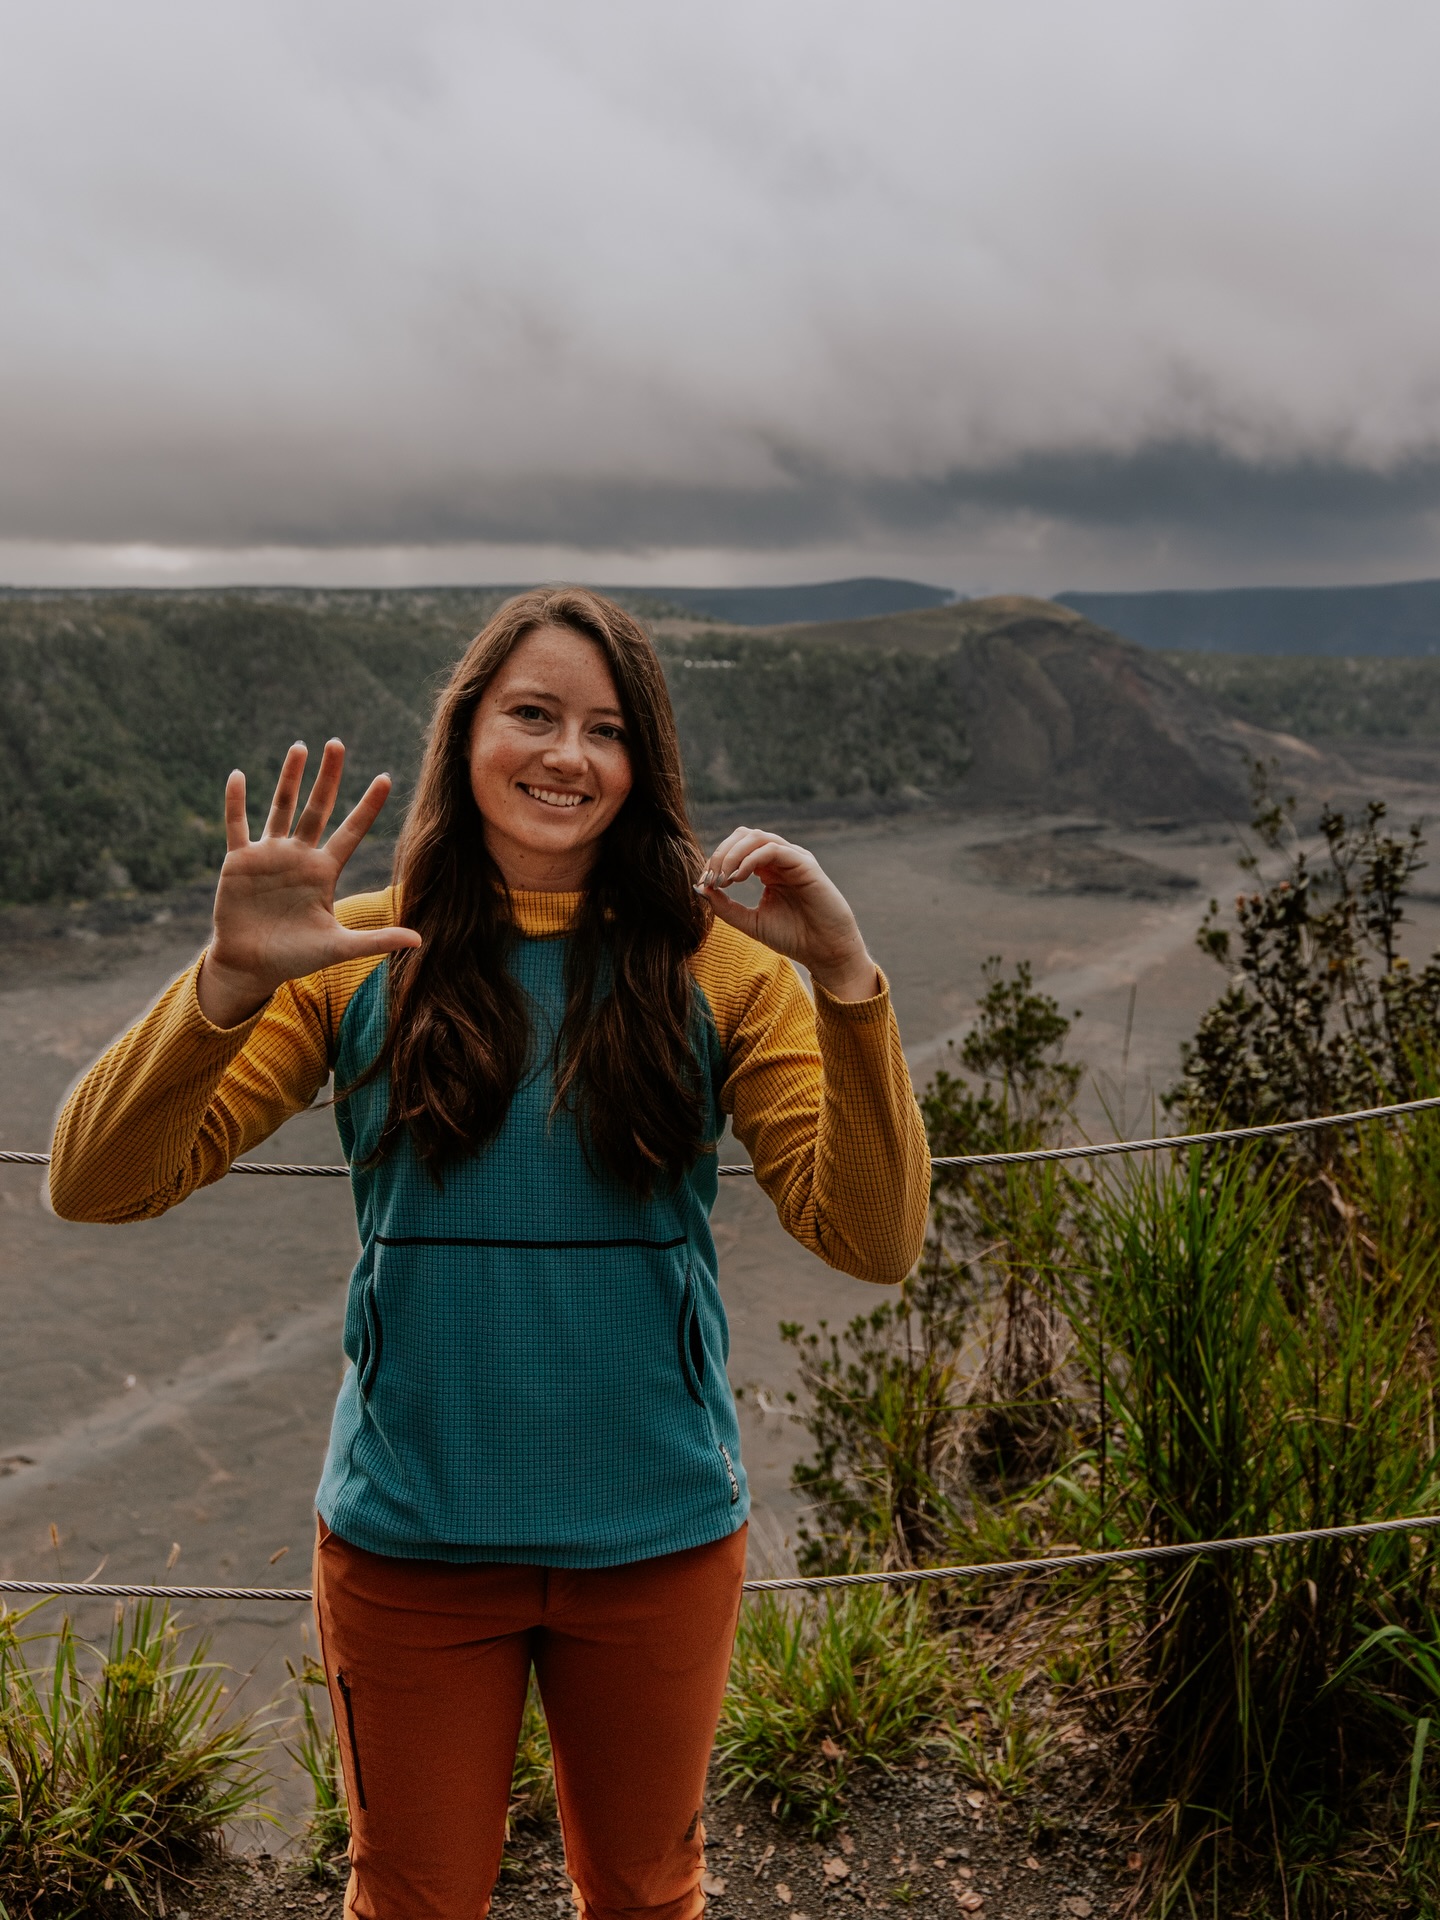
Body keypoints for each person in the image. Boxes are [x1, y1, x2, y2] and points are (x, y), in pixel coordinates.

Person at [50, 587, 930, 1920]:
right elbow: (96, 1182)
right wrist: (224, 985)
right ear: (469, 735)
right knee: (411, 1900)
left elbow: (870, 1239)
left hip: (656, 1538)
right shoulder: (351, 951)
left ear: (646, 768)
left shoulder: (723, 967)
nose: (566, 756)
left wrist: (850, 986)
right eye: (532, 714)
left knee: (648, 1895)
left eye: (606, 729)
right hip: (412, 1544)